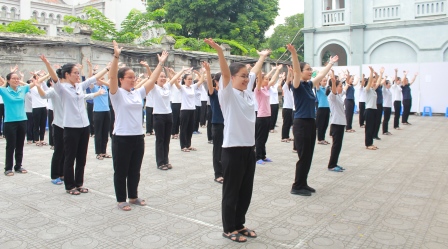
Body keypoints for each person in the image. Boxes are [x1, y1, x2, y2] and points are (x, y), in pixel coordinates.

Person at [205, 38, 268, 243]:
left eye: (247, 77)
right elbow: (224, 72)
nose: (246, 79)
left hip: (249, 150)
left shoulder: (248, 92)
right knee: (231, 192)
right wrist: (220, 53)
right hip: (232, 150)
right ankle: (228, 227)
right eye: (242, 77)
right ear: (231, 78)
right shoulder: (227, 95)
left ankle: (239, 224)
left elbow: (254, 71)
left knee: (245, 191)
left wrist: (262, 57)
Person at [109, 41, 168, 211]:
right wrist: (116, 56)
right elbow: (112, 77)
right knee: (121, 170)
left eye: (134, 76)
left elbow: (152, 79)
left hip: (137, 136)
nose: (133, 79)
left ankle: (133, 196)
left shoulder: (138, 93)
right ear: (121, 80)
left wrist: (161, 63)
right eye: (129, 77)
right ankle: (121, 199)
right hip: (121, 137)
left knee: (135, 169)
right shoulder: (116, 94)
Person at [40, 54, 110, 195]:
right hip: (70, 127)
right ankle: (69, 186)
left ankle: (79, 184)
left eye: (79, 73)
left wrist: (108, 68)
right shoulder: (61, 88)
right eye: (75, 73)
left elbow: (93, 79)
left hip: (84, 126)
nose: (78, 76)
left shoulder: (79, 87)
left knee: (82, 157)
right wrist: (47, 63)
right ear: (67, 74)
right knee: (70, 157)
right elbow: (54, 78)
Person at [289, 44, 338, 196]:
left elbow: (321, 75)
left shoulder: (309, 85)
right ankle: (296, 186)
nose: (310, 71)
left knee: (309, 155)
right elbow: (296, 71)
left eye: (311, 69)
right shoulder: (296, 85)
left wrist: (330, 63)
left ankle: (303, 183)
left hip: (310, 122)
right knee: (303, 156)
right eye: (308, 69)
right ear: (301, 71)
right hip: (301, 123)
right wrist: (294, 55)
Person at [147, 64, 185, 170]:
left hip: (168, 115)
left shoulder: (167, 86)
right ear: (156, 78)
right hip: (158, 116)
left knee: (167, 140)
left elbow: (174, 78)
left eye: (164, 76)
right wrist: (148, 68)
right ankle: (160, 162)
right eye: (161, 77)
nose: (163, 78)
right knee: (160, 139)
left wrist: (182, 71)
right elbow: (151, 76)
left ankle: (166, 160)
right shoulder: (154, 88)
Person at [0, 70, 37, 176]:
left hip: (22, 120)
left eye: (18, 78)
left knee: (20, 145)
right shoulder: (4, 91)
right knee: (10, 145)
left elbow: (35, 83)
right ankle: (8, 168)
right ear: (8, 80)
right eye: (13, 78)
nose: (16, 80)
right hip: (10, 122)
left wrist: (48, 74)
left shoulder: (22, 89)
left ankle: (18, 166)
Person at [255, 64, 282, 164]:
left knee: (265, 137)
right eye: (265, 79)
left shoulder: (266, 89)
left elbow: (273, 80)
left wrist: (277, 71)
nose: (267, 80)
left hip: (267, 115)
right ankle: (257, 157)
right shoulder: (258, 90)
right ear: (260, 81)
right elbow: (259, 79)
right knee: (260, 138)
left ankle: (263, 155)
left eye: (267, 79)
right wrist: (259, 69)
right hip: (261, 116)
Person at [174, 68, 203, 152]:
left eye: (191, 79)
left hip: (192, 109)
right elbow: (175, 81)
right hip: (184, 110)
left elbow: (201, 80)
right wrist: (182, 71)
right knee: (184, 128)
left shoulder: (193, 87)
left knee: (190, 128)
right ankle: (183, 146)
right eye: (188, 79)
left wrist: (200, 73)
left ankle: (188, 144)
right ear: (184, 80)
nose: (190, 80)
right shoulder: (182, 87)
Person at [327, 70, 346, 172]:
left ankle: (335, 163)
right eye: (340, 86)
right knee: (336, 145)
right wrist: (334, 82)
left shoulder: (339, 96)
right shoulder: (332, 96)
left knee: (338, 145)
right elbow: (334, 91)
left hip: (341, 123)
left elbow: (345, 88)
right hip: (336, 123)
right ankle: (331, 165)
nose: (341, 88)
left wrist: (344, 78)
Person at [206, 71, 224, 183]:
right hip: (217, 124)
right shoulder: (214, 93)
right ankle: (218, 174)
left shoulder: (226, 92)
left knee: (226, 150)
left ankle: (226, 170)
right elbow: (209, 85)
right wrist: (208, 72)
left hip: (228, 124)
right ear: (216, 81)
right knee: (218, 149)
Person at [90, 76, 111, 160]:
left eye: (103, 79)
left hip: (107, 111)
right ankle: (98, 152)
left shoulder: (105, 87)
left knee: (105, 132)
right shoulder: (94, 88)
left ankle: (104, 151)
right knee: (98, 132)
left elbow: (111, 80)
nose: (102, 80)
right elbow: (89, 81)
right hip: (98, 112)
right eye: (100, 79)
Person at [365, 66, 382, 150]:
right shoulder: (367, 89)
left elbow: (378, 82)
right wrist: (371, 72)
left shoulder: (373, 90)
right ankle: (368, 144)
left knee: (373, 127)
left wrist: (381, 74)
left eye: (374, 82)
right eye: (373, 82)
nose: (374, 83)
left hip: (374, 110)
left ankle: (371, 142)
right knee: (369, 128)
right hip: (369, 110)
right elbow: (370, 82)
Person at [316, 76, 330, 145]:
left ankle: (323, 138)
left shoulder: (327, 89)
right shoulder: (319, 89)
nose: (325, 82)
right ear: (320, 82)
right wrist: (318, 76)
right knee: (321, 125)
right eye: (323, 81)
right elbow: (316, 84)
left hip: (327, 108)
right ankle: (320, 139)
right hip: (321, 108)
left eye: (326, 81)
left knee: (325, 124)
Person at [281, 66, 294, 142]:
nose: (290, 81)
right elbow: (288, 80)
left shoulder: (293, 89)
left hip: (292, 108)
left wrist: (292, 73)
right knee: (286, 123)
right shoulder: (285, 88)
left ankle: (287, 136)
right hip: (286, 108)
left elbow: (293, 80)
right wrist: (289, 72)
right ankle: (284, 137)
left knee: (290, 124)